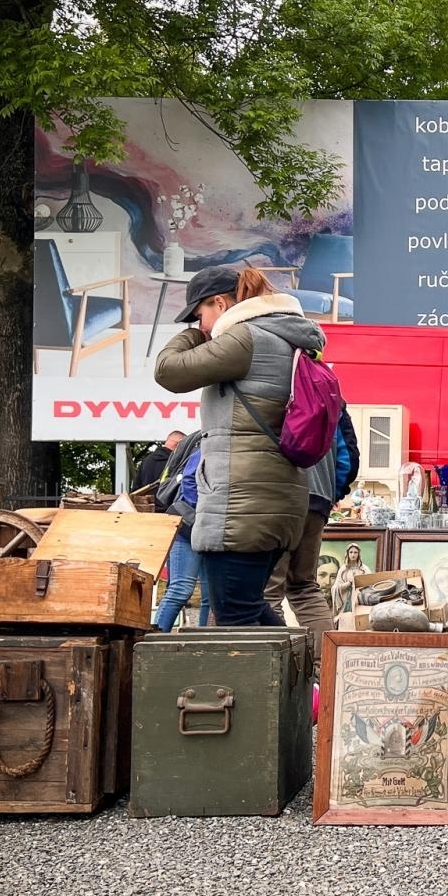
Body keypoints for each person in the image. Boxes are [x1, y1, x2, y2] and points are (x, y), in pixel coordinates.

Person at [153, 265, 324, 626]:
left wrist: (194, 337)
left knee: (234, 613)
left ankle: (294, 680)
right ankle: (304, 678)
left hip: (242, 504)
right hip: (271, 499)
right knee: (249, 606)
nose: (201, 326)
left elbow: (168, 370)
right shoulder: (284, 337)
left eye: (200, 316)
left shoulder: (246, 338)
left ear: (220, 302)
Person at [264, 402, 359, 669]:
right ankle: (323, 672)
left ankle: (279, 672)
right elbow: (348, 457)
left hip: (278, 495)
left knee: (269, 590)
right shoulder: (328, 391)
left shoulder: (270, 381)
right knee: (304, 586)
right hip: (318, 498)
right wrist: (330, 493)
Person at [152, 431, 204, 632]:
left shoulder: (206, 443)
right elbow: (189, 481)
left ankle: (204, 645)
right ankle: (154, 640)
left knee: (206, 595)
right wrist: (201, 511)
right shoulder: (206, 446)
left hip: (200, 525)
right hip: (190, 524)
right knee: (181, 589)